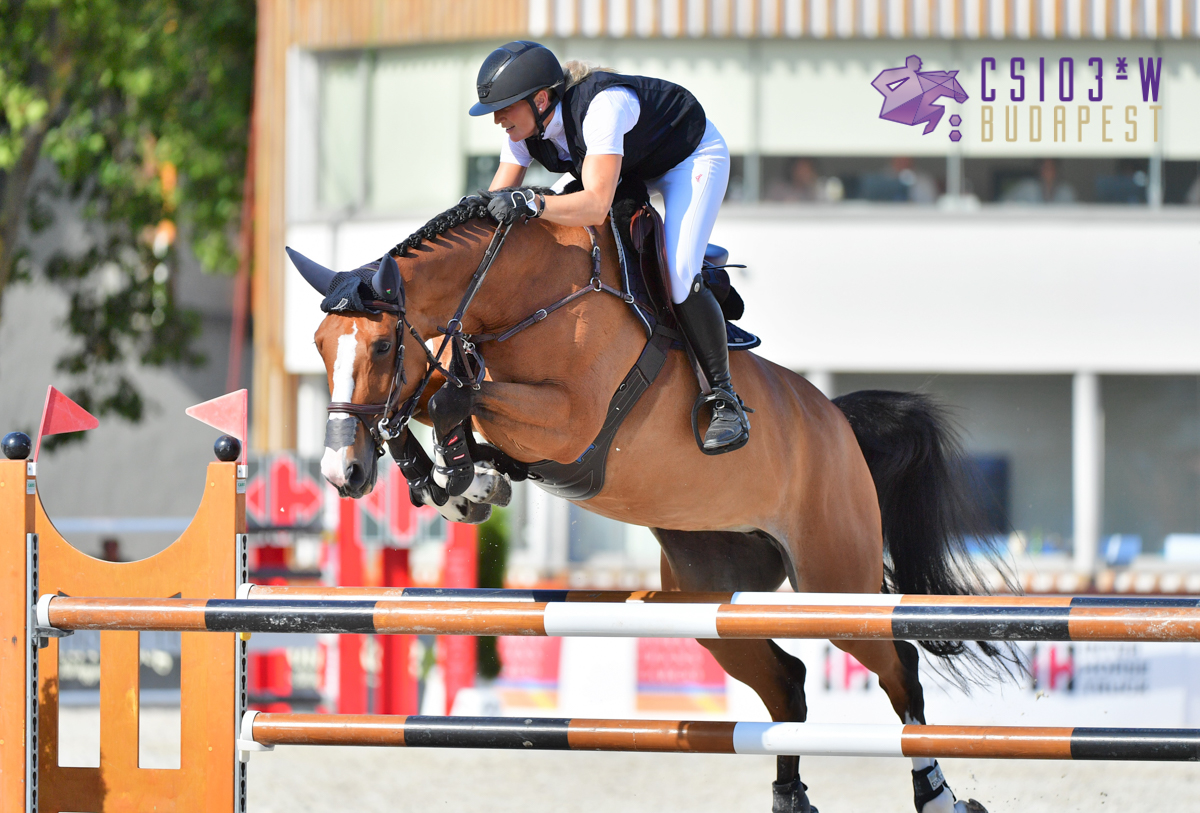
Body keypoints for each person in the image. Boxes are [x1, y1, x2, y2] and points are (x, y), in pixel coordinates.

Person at [469, 41, 748, 454]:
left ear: (541, 99)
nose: (497, 120)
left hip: (689, 158)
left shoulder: (602, 107)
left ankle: (725, 400)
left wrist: (533, 201)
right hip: (627, 165)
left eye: (505, 107)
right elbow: (493, 204)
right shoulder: (523, 131)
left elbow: (595, 205)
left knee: (678, 273)